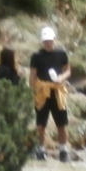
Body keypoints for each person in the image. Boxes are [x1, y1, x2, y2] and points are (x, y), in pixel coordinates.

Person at [29, 27, 71, 162]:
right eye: (45, 41)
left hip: (57, 91)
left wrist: (61, 77)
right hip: (42, 92)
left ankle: (63, 151)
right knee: (41, 123)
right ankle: (40, 150)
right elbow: (33, 75)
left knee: (61, 123)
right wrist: (33, 90)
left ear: (54, 40)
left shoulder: (61, 54)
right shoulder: (36, 56)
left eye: (50, 40)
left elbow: (68, 70)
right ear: (43, 41)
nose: (48, 43)